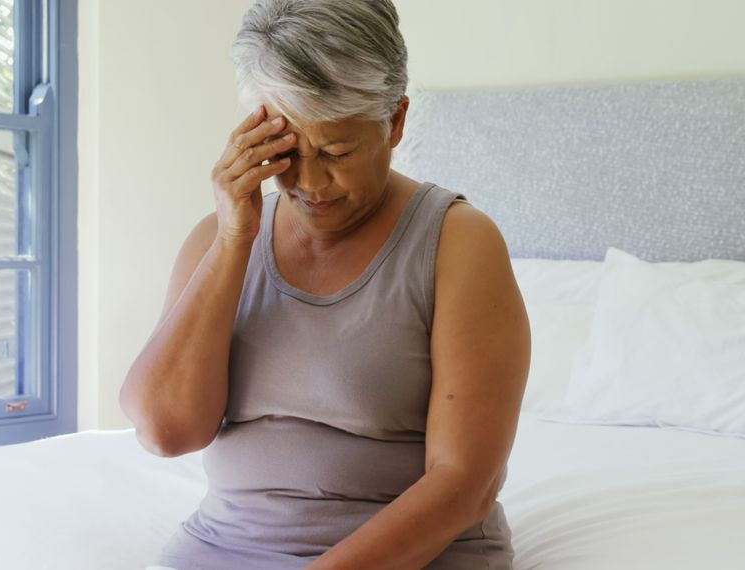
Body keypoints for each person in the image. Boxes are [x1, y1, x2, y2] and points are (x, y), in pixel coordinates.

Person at [119, 1, 530, 568]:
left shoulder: (459, 242)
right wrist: (235, 241)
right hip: (225, 545)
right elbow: (165, 431)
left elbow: (466, 487)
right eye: (285, 152)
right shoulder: (220, 237)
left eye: (336, 151)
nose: (309, 183)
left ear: (396, 122)